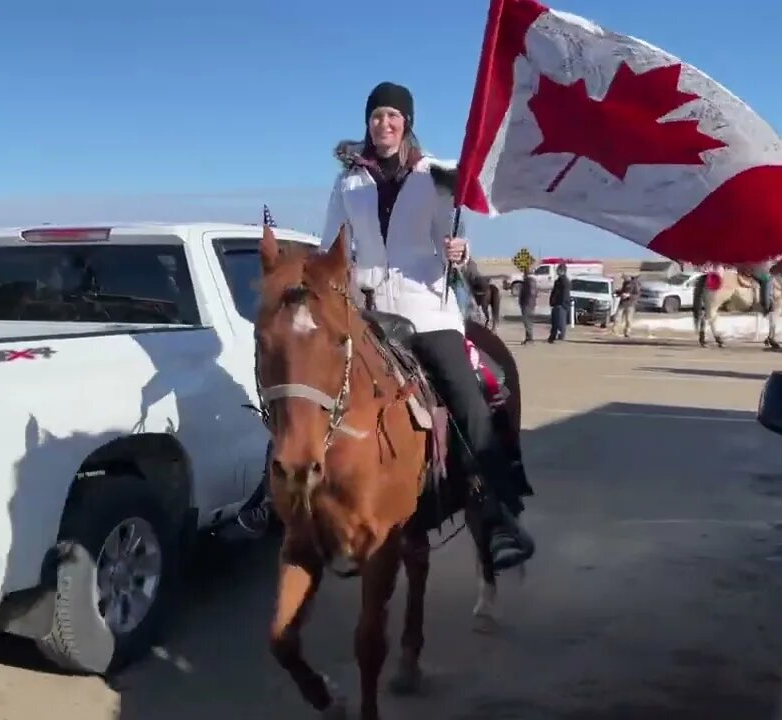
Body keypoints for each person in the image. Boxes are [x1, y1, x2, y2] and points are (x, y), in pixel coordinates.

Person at [235, 82, 535, 565]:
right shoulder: (348, 182)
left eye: (393, 116)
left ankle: (493, 510)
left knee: (467, 398)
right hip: (366, 309)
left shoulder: (441, 177)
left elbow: (453, 241)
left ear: (407, 122)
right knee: (304, 382)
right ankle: (271, 495)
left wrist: (459, 252)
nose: (384, 124)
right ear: (368, 123)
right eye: (376, 116)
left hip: (425, 312)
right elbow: (332, 243)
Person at [547, 262, 569, 342]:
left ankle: (561, 336)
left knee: (560, 322)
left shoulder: (564, 281)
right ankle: (552, 336)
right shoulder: (558, 280)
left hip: (561, 305)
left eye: (558, 270)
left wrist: (562, 304)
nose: (557, 271)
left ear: (562, 271)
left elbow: (565, 294)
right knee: (554, 321)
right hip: (556, 304)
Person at [518, 269, 537, 344]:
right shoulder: (532, 281)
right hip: (531, 304)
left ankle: (530, 338)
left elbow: (529, 293)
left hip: (527, 304)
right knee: (528, 321)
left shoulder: (528, 281)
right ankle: (528, 337)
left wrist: (523, 302)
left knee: (527, 321)